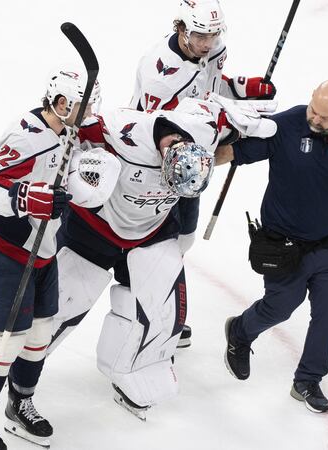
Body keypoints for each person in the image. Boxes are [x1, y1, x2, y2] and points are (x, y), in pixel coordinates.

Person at [48, 97, 277, 420]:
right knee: (58, 308)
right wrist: (75, 169)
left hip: (153, 230)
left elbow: (228, 119)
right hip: (95, 228)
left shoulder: (205, 133)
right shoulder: (119, 127)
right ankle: (18, 364)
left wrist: (239, 117)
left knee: (163, 315)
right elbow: (64, 133)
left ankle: (133, 372)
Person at [0, 69, 120, 449]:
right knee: (5, 342)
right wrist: (25, 197)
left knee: (40, 334)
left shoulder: (69, 131)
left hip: (42, 248)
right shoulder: (26, 138)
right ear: (63, 104)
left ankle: (20, 405)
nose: (91, 111)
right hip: (2, 249)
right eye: (84, 104)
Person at [215, 80, 328, 413]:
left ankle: (307, 379)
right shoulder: (286, 126)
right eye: (313, 111)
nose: (315, 120)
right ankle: (240, 330)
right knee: (280, 306)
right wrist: (204, 150)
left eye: (324, 117)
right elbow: (233, 153)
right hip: (284, 246)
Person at [130, 0, 277, 348]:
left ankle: (166, 311)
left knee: (183, 240)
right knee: (153, 246)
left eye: (213, 34)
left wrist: (242, 87)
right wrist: (226, 124)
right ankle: (156, 318)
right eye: (199, 35)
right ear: (180, 27)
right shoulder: (158, 71)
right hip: (156, 166)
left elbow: (210, 84)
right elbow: (162, 132)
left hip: (192, 166)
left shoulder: (213, 48)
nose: (207, 43)